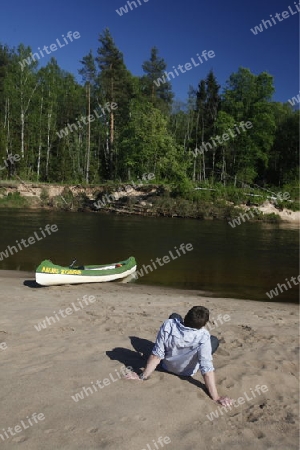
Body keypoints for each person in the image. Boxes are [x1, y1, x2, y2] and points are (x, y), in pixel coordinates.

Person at [126, 306, 233, 406]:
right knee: (213, 340)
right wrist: (216, 397)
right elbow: (206, 369)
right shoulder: (204, 335)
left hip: (166, 365)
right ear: (203, 325)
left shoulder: (168, 324)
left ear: (186, 317)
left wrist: (142, 377)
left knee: (174, 316)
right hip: (187, 372)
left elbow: (156, 356)